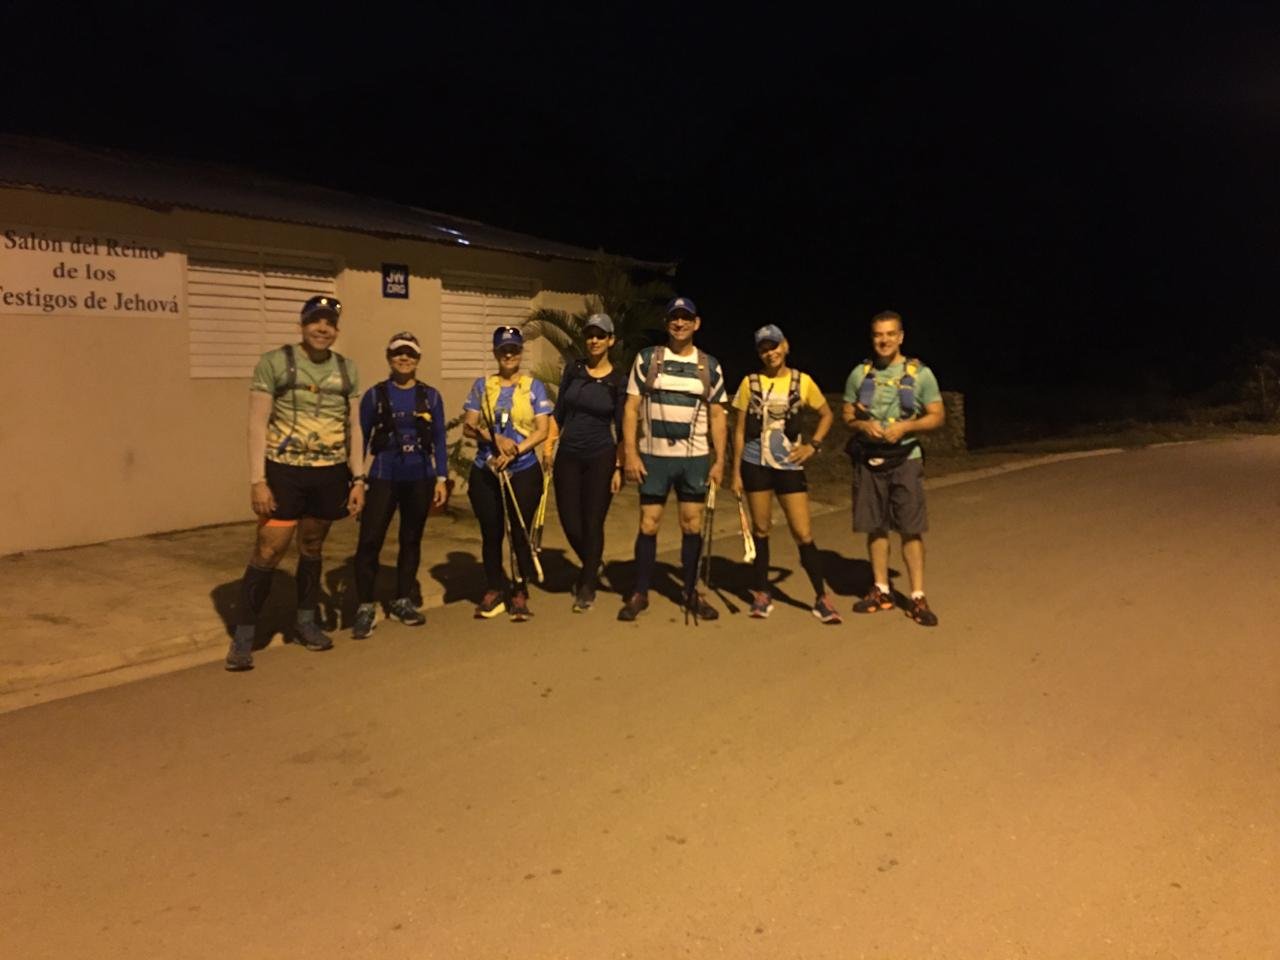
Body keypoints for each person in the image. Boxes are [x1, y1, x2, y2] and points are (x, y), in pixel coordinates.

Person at [225, 295, 364, 671]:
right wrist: (258, 480)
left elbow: (354, 427)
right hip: (284, 472)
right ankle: (244, 635)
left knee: (313, 545)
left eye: (330, 323)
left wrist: (358, 478)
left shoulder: (347, 369)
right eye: (316, 321)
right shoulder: (274, 362)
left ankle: (305, 622)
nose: (322, 328)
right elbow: (256, 424)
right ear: (301, 325)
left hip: (329, 473)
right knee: (269, 549)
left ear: (337, 330)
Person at [618, 296, 728, 622]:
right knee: (648, 523)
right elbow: (631, 408)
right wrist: (630, 453)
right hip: (654, 457)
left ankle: (690, 591)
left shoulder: (709, 365)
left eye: (686, 318)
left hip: (694, 459)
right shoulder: (648, 359)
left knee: (691, 524)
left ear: (696, 323)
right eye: (674, 318)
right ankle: (640, 592)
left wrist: (720, 460)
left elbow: (718, 415)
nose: (679, 323)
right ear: (666, 323)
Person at [730, 324, 842, 624]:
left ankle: (821, 597)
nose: (771, 353)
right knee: (761, 529)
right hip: (755, 463)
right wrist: (736, 472)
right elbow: (739, 430)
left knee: (803, 533)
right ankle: (762, 592)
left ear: (786, 346)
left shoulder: (802, 381)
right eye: (764, 349)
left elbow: (827, 414)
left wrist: (813, 446)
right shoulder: (749, 383)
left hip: (789, 465)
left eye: (775, 346)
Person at [841, 310, 946, 626]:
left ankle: (917, 596)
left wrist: (906, 427)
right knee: (875, 526)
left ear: (901, 337)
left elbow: (937, 415)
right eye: (878, 335)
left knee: (910, 528)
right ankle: (881, 589)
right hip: (870, 460)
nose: (884, 340)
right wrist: (863, 425)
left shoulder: (921, 374)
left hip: (905, 459)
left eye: (890, 334)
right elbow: (847, 415)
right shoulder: (860, 374)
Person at [350, 332, 449, 639]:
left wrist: (441, 478)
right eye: (397, 353)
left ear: (418, 359)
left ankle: (402, 600)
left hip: (419, 477)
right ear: (388, 357)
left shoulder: (430, 396)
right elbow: (359, 439)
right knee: (370, 540)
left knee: (411, 539)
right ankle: (365, 605)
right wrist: (356, 481)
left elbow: (439, 439)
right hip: (383, 476)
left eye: (410, 354)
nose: (404, 358)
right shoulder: (375, 396)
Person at [461, 326, 553, 621]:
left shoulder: (534, 387)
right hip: (486, 469)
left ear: (521, 352)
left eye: (514, 349)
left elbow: (542, 430)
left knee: (519, 533)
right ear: (495, 352)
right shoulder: (482, 386)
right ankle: (494, 588)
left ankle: (519, 590)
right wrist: (495, 439)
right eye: (503, 350)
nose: (509, 354)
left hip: (523, 470)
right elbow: (468, 426)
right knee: (491, 533)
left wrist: (515, 450)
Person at [550, 313, 626, 612]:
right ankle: (593, 563)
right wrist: (548, 447)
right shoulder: (574, 369)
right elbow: (559, 412)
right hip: (568, 454)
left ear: (611, 340)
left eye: (600, 335)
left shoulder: (617, 380)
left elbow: (622, 428)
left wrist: (619, 467)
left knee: (593, 522)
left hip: (600, 456)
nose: (594, 340)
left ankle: (587, 583)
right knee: (570, 521)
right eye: (590, 335)